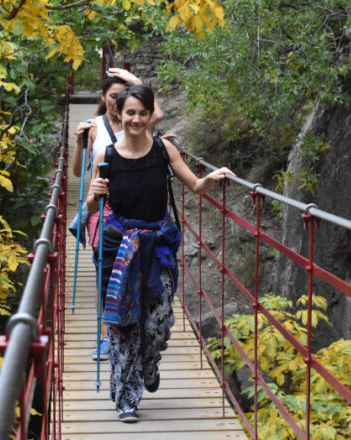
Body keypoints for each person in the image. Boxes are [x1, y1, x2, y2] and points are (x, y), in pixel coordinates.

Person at [85, 84, 233, 423]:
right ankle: (126, 399)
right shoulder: (105, 156)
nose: (136, 119)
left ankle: (149, 366)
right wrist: (93, 195)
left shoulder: (164, 150)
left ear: (151, 115)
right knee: (124, 326)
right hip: (120, 246)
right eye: (130, 113)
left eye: (142, 113)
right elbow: (93, 204)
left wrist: (211, 177)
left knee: (158, 322)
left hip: (158, 246)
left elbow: (194, 185)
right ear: (119, 115)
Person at [71, 68, 164, 361]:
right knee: (107, 273)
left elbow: (154, 113)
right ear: (104, 97)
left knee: (131, 275)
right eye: (112, 97)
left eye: (120, 97)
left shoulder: (137, 122)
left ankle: (133, 328)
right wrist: (78, 142)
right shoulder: (93, 127)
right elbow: (77, 172)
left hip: (136, 210)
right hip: (104, 209)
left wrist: (135, 80)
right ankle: (107, 334)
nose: (115, 102)